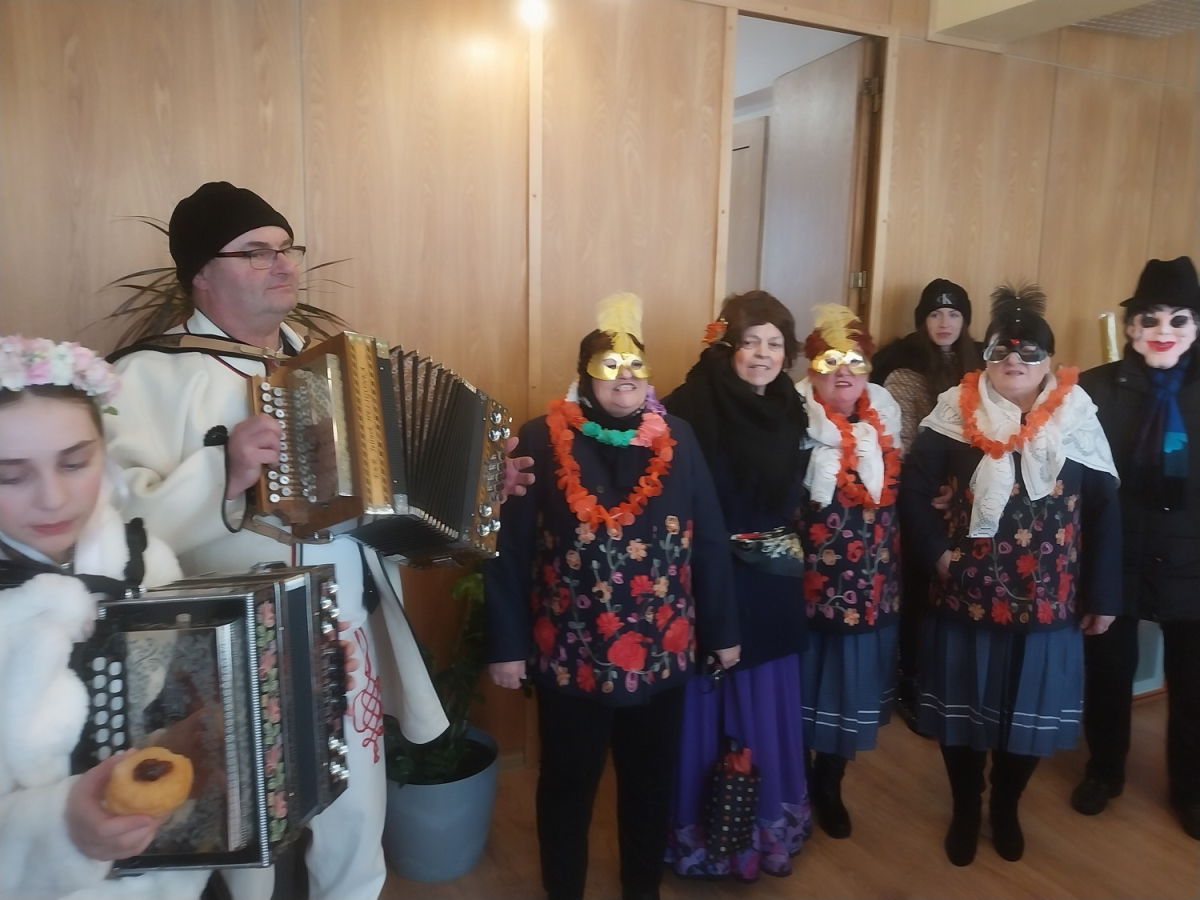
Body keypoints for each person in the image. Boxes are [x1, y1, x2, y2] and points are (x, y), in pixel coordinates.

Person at [104, 181, 532, 900]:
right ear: (201, 273)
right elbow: (116, 531)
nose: (283, 264)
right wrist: (224, 472)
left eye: (286, 247)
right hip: (223, 654)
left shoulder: (342, 373)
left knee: (354, 827)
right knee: (238, 841)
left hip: (341, 638)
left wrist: (479, 491)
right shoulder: (143, 378)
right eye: (255, 251)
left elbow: (390, 504)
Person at [484, 293, 740, 900]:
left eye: (635, 365)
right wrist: (507, 646)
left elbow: (708, 539)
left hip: (662, 650)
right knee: (567, 786)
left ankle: (641, 891)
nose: (625, 377)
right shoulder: (539, 438)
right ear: (585, 374)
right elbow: (508, 548)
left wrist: (723, 631)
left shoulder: (678, 438)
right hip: (571, 653)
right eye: (609, 365)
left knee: (649, 784)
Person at [899, 285, 1121, 866]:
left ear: (1050, 362)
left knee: (1028, 722)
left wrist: (1102, 594)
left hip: (1050, 609)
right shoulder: (953, 415)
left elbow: (1104, 512)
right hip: (965, 601)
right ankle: (966, 807)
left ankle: (1005, 805)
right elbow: (913, 491)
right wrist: (936, 554)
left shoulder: (1078, 420)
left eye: (1029, 352)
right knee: (962, 720)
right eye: (1001, 350)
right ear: (986, 357)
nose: (1014, 360)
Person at [0, 335, 210, 900]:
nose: (53, 498)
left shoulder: (148, 565)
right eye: (10, 476)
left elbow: (165, 724)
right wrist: (61, 828)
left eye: (75, 462)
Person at [662, 291, 811, 881]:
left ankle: (764, 833)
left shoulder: (791, 405)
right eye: (750, 341)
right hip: (711, 576)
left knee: (766, 704)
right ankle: (706, 844)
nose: (762, 354)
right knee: (708, 705)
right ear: (727, 346)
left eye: (774, 343)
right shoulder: (689, 404)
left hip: (773, 580)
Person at [1073, 256, 1200, 841]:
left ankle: (1191, 790)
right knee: (1108, 674)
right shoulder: (1095, 389)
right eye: (1150, 318)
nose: (1163, 330)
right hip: (1115, 559)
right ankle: (1104, 770)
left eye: (1179, 318)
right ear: (1130, 326)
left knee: (1193, 686)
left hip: (1193, 564)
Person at [794, 304, 903, 840]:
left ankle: (829, 781)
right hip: (804, 588)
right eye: (830, 360)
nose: (843, 371)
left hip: (869, 586)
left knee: (847, 690)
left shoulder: (885, 417)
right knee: (797, 689)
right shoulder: (790, 418)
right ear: (811, 367)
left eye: (855, 361)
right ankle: (794, 779)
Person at [871, 279, 984, 731]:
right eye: (935, 314)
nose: (944, 322)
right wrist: (934, 487)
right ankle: (910, 680)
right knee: (917, 590)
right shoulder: (904, 371)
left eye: (954, 314)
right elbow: (902, 446)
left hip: (972, 497)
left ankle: (948, 682)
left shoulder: (980, 366)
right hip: (919, 493)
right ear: (923, 320)